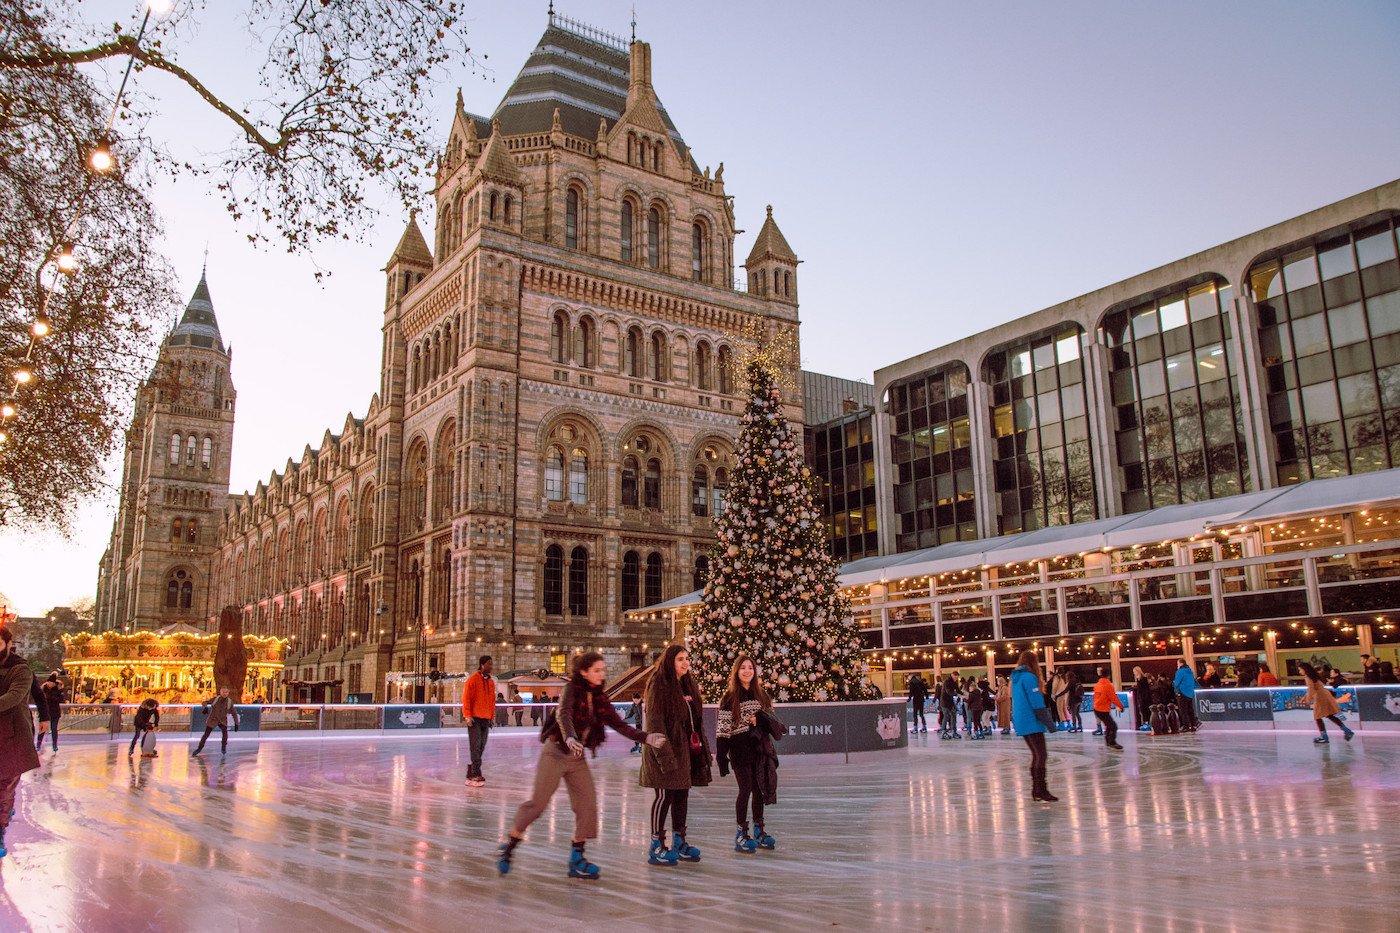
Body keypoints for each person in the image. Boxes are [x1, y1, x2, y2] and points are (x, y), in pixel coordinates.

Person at [496, 652, 665, 879]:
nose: (602, 674)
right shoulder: (571, 690)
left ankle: (577, 857)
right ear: (584, 672)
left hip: (577, 758)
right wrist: (570, 737)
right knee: (537, 804)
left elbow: (618, 724)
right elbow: (563, 714)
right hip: (556, 751)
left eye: (602, 670)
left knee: (587, 804)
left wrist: (646, 738)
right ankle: (510, 844)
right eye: (597, 670)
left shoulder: (599, 698)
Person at [640, 644, 712, 866]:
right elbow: (655, 724)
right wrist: (665, 757)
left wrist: (703, 752)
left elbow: (696, 721)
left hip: (685, 753)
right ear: (670, 661)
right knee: (664, 796)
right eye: (680, 659)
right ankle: (657, 844)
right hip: (663, 753)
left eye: (686, 659)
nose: (685, 663)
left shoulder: (687, 685)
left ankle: (680, 841)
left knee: (682, 794)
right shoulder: (659, 685)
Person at [716, 655, 779, 853]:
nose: (747, 671)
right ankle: (741, 832)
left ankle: (759, 830)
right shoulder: (729, 698)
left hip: (759, 749)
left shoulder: (762, 695)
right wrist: (721, 757)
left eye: (750, 668)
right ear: (736, 671)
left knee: (759, 789)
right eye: (743, 668)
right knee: (745, 789)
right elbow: (723, 730)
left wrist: (759, 721)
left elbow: (771, 722)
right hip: (739, 750)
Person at [1, 625, 41, 857]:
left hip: (11, 737)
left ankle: (0, 832)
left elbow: (14, 697)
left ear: (7, 644)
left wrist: (45, 716)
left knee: (4, 789)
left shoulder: (20, 669)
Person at [1010, 650, 1056, 802]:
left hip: (1022, 720)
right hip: (1031, 720)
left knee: (1037, 755)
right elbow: (1036, 702)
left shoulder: (1017, 678)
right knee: (1041, 755)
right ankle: (1040, 790)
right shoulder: (1029, 677)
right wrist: (1049, 722)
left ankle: (1037, 790)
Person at [1300, 663, 1354, 744]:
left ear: (1304, 669)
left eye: (1300, 669)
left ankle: (1324, 736)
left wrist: (1308, 700)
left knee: (1317, 716)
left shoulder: (1308, 677)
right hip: (1324, 694)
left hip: (1320, 697)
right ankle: (1346, 730)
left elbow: (1311, 688)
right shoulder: (1314, 676)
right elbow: (1312, 688)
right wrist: (1304, 698)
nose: (1299, 671)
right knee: (1328, 714)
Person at [462, 655, 496, 787]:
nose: (491, 667)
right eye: (489, 664)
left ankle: (471, 773)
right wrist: (467, 715)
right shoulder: (472, 680)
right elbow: (467, 699)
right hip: (474, 718)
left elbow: (492, 701)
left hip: (486, 718)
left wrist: (491, 717)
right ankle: (476, 773)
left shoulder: (491, 682)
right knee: (475, 746)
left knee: (481, 746)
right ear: (482, 665)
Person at [192, 686, 234, 755]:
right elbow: (204, 702)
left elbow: (233, 711)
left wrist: (236, 721)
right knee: (206, 735)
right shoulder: (216, 699)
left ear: (228, 693)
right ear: (220, 692)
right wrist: (205, 707)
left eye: (226, 692)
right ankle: (199, 749)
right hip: (213, 719)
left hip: (222, 720)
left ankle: (223, 747)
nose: (224, 694)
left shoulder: (229, 702)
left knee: (225, 732)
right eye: (223, 692)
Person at [1092, 667, 1124, 750]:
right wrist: (1120, 706)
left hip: (1097, 708)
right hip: (1103, 709)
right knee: (1113, 726)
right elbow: (1113, 698)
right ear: (1109, 675)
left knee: (1109, 725)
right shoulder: (1108, 686)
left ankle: (1108, 741)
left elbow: (1095, 697)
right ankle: (1111, 742)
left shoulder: (1097, 685)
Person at [36, 673, 64, 752]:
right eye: (48, 682)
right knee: (42, 729)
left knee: (54, 729)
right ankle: (38, 744)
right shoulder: (43, 689)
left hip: (54, 712)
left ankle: (54, 745)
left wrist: (50, 697)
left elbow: (61, 699)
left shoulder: (58, 690)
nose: (49, 684)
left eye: (51, 683)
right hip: (45, 712)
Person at [1173, 660, 1199, 732]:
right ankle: (1193, 725)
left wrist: (1175, 689)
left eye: (1177, 664)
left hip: (1182, 693)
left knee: (1183, 711)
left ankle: (1186, 726)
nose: (1177, 665)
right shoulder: (1190, 672)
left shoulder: (1180, 672)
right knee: (1190, 710)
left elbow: (1176, 683)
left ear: (1181, 664)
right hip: (1190, 693)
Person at [1132, 666, 1152, 732]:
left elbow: (1145, 689)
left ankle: (1148, 723)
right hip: (1141, 698)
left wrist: (1144, 697)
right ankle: (1146, 722)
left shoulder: (1143, 679)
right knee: (1143, 711)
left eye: (1135, 672)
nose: (1134, 673)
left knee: (1146, 711)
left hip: (1145, 698)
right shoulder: (1138, 679)